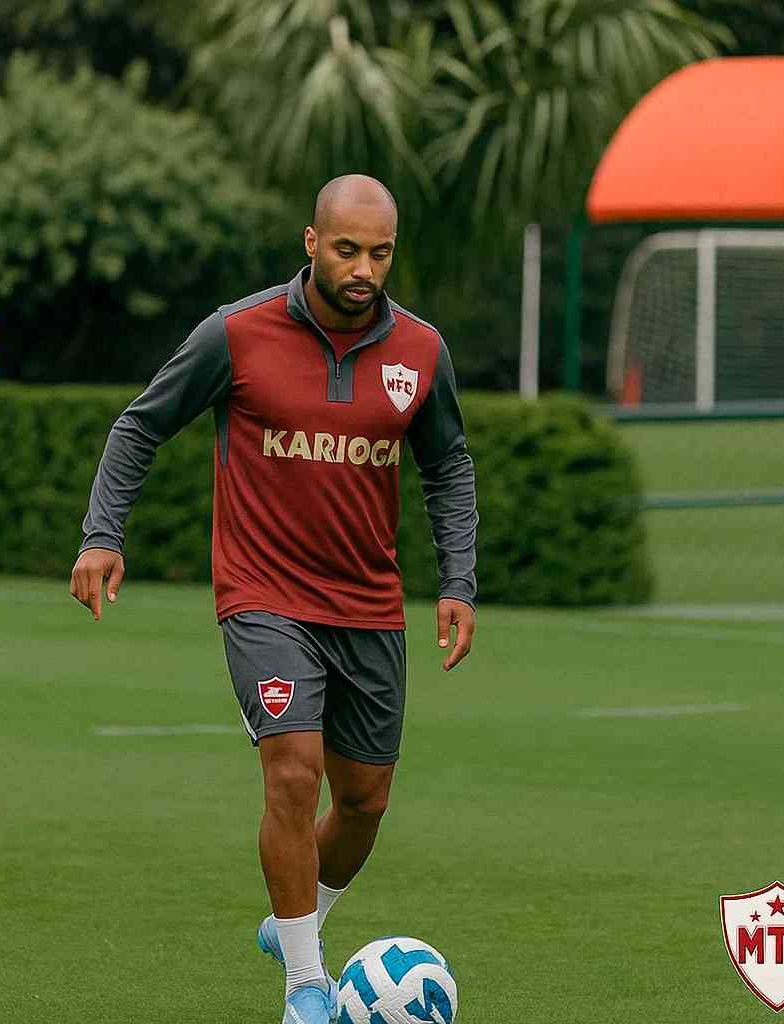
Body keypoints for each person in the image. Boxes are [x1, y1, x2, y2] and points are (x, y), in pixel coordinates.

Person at [70, 174, 477, 1024]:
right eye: (347, 250)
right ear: (311, 243)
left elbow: (448, 467)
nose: (363, 269)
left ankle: (296, 920)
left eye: (380, 253)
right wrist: (102, 534)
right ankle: (306, 986)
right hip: (264, 597)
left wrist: (457, 582)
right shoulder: (237, 333)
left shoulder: (422, 352)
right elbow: (140, 424)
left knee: (363, 802)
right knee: (292, 770)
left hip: (368, 606)